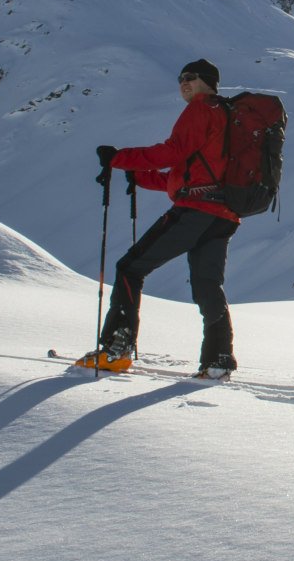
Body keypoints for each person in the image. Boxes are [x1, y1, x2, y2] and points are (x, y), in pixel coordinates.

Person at [74, 59, 241, 380]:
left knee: (130, 268)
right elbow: (185, 173)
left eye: (190, 77)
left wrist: (119, 158)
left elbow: (173, 151)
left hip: (196, 210)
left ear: (207, 82)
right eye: (180, 78)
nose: (183, 83)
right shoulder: (226, 116)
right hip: (224, 214)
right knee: (208, 285)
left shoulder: (200, 109)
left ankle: (115, 349)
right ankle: (218, 360)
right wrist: (140, 177)